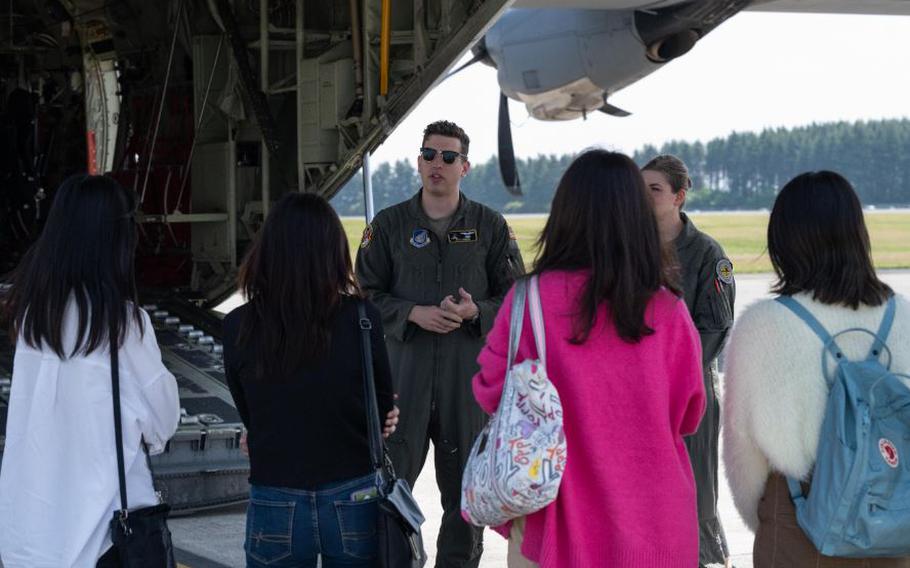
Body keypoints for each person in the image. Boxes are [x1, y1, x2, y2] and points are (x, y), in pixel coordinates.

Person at [472, 150, 705, 567]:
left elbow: (490, 390)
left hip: (556, 528)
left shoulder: (529, 301)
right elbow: (690, 414)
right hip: (656, 526)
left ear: (565, 213)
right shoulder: (669, 307)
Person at [355, 119, 523, 567]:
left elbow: (515, 296)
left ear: (464, 167)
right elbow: (364, 295)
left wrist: (476, 312)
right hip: (402, 382)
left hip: (465, 384)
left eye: (448, 157)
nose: (437, 164)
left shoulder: (489, 226)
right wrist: (411, 313)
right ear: (418, 161)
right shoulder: (388, 226)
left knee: (465, 498)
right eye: (429, 154)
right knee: (390, 489)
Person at [722, 171, 910, 567]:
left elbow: (743, 450)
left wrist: (767, 517)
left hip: (799, 513)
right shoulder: (902, 314)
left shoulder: (764, 324)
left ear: (784, 239)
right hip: (893, 512)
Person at [0, 174, 180, 568]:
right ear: (114, 240)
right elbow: (162, 424)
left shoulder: (32, 319)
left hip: (33, 538)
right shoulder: (123, 325)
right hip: (104, 540)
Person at [223, 193, 400, 568]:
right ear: (333, 251)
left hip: (275, 495)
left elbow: (248, 409)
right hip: (353, 493)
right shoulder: (363, 318)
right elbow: (382, 409)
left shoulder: (237, 325)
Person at [642, 154, 735, 568]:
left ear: (679, 196)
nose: (643, 197)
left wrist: (664, 374)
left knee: (694, 494)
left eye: (654, 189)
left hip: (689, 398)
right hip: (636, 398)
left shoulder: (706, 253)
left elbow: (714, 331)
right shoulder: (628, 250)